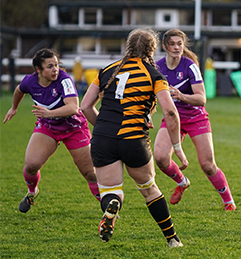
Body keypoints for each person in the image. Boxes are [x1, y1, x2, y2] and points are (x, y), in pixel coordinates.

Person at [80, 27, 188, 247]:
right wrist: (176, 146)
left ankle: (112, 207)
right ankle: (172, 239)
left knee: (110, 191)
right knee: (149, 190)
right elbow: (170, 111)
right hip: (133, 139)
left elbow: (85, 106)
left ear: (128, 46)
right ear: (153, 49)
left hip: (103, 139)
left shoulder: (107, 70)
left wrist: (102, 126)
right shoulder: (154, 74)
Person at [3, 48, 100, 213]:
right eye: (50, 66)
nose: (55, 69)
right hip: (48, 127)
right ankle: (32, 193)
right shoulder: (30, 82)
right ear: (38, 70)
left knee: (90, 173)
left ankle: (107, 210)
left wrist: (49, 113)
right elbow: (19, 90)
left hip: (74, 128)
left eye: (56, 65)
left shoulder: (65, 80)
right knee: (31, 166)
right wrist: (14, 108)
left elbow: (73, 107)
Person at [154, 28, 236, 211]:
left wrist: (181, 96)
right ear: (165, 46)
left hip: (195, 117)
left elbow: (201, 98)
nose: (176, 47)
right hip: (172, 116)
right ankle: (182, 182)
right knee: (160, 157)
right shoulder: (157, 68)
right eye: (173, 44)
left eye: (179, 44)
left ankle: (228, 201)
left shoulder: (189, 65)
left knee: (207, 165)